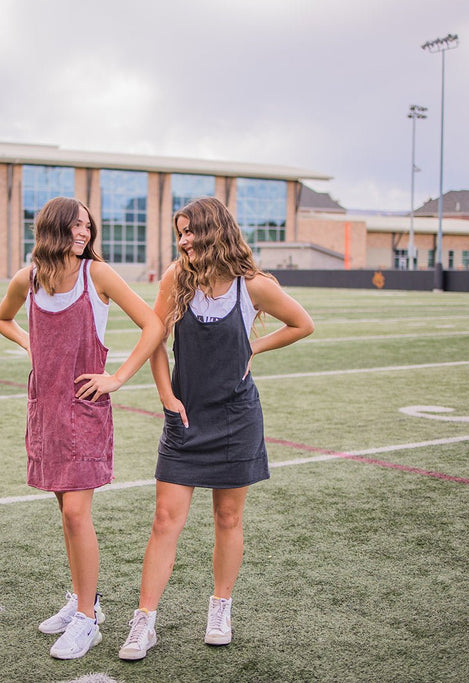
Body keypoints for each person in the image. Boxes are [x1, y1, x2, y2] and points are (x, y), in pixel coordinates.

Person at [118, 196, 314, 661]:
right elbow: (154, 339)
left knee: (228, 517)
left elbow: (302, 324)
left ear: (213, 231)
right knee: (165, 519)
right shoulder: (175, 278)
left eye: (189, 231)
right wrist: (166, 396)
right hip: (185, 418)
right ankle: (144, 620)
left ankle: (220, 608)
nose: (183, 240)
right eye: (179, 233)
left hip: (236, 419)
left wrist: (256, 347)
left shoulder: (254, 286)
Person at [0, 197, 163, 660]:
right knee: (64, 512)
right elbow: (2, 319)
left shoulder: (99, 275)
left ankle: (88, 620)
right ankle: (82, 600)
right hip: (44, 411)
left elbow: (153, 325)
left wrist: (118, 377)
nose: (84, 235)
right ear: (53, 231)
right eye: (75, 228)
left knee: (75, 513)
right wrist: (31, 343)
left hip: (85, 410)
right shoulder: (26, 280)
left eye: (88, 226)